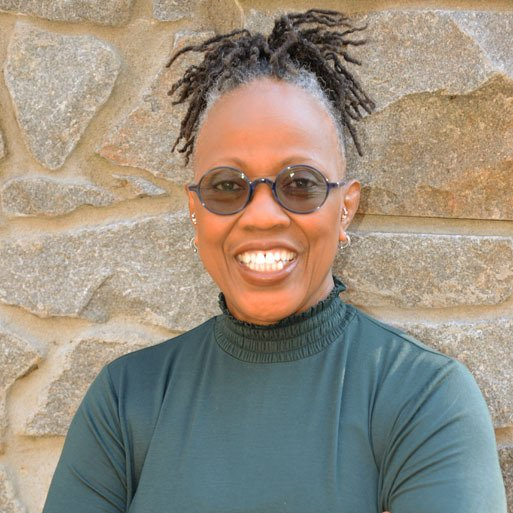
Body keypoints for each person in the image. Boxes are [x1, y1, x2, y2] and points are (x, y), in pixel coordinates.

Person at [42, 9, 507, 513]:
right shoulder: (124, 400)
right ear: (195, 208)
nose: (262, 216)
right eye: (227, 187)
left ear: (345, 207)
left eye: (300, 184)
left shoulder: (424, 398)